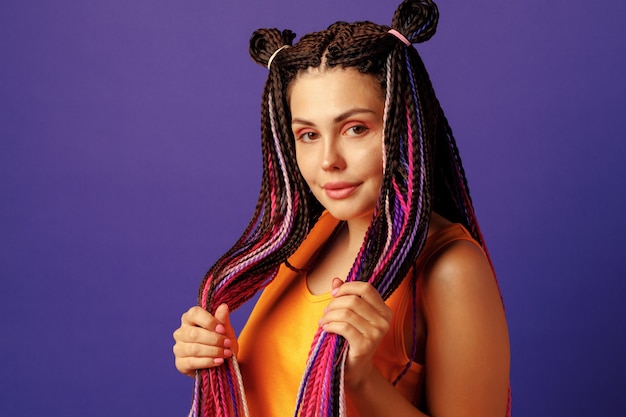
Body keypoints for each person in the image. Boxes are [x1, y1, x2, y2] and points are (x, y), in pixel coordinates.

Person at [172, 1, 510, 416]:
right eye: (309, 134)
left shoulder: (449, 266)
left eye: (355, 129)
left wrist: (360, 380)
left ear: (402, 130)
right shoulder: (302, 242)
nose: (329, 159)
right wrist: (215, 360)